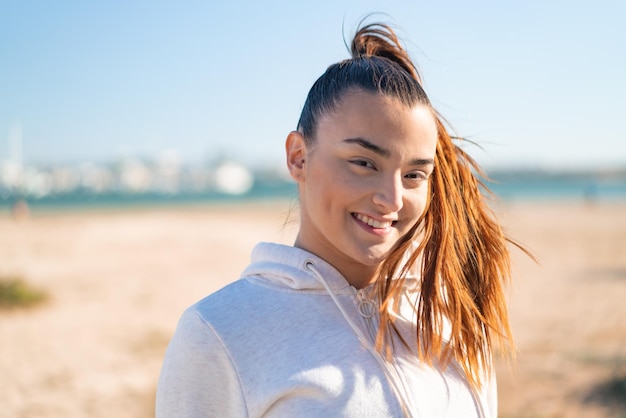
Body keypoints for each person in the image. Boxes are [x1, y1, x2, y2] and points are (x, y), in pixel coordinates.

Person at [156, 21, 522, 418]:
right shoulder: (218, 333)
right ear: (298, 157)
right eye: (364, 163)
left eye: (415, 174)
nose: (391, 199)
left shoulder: (449, 315)